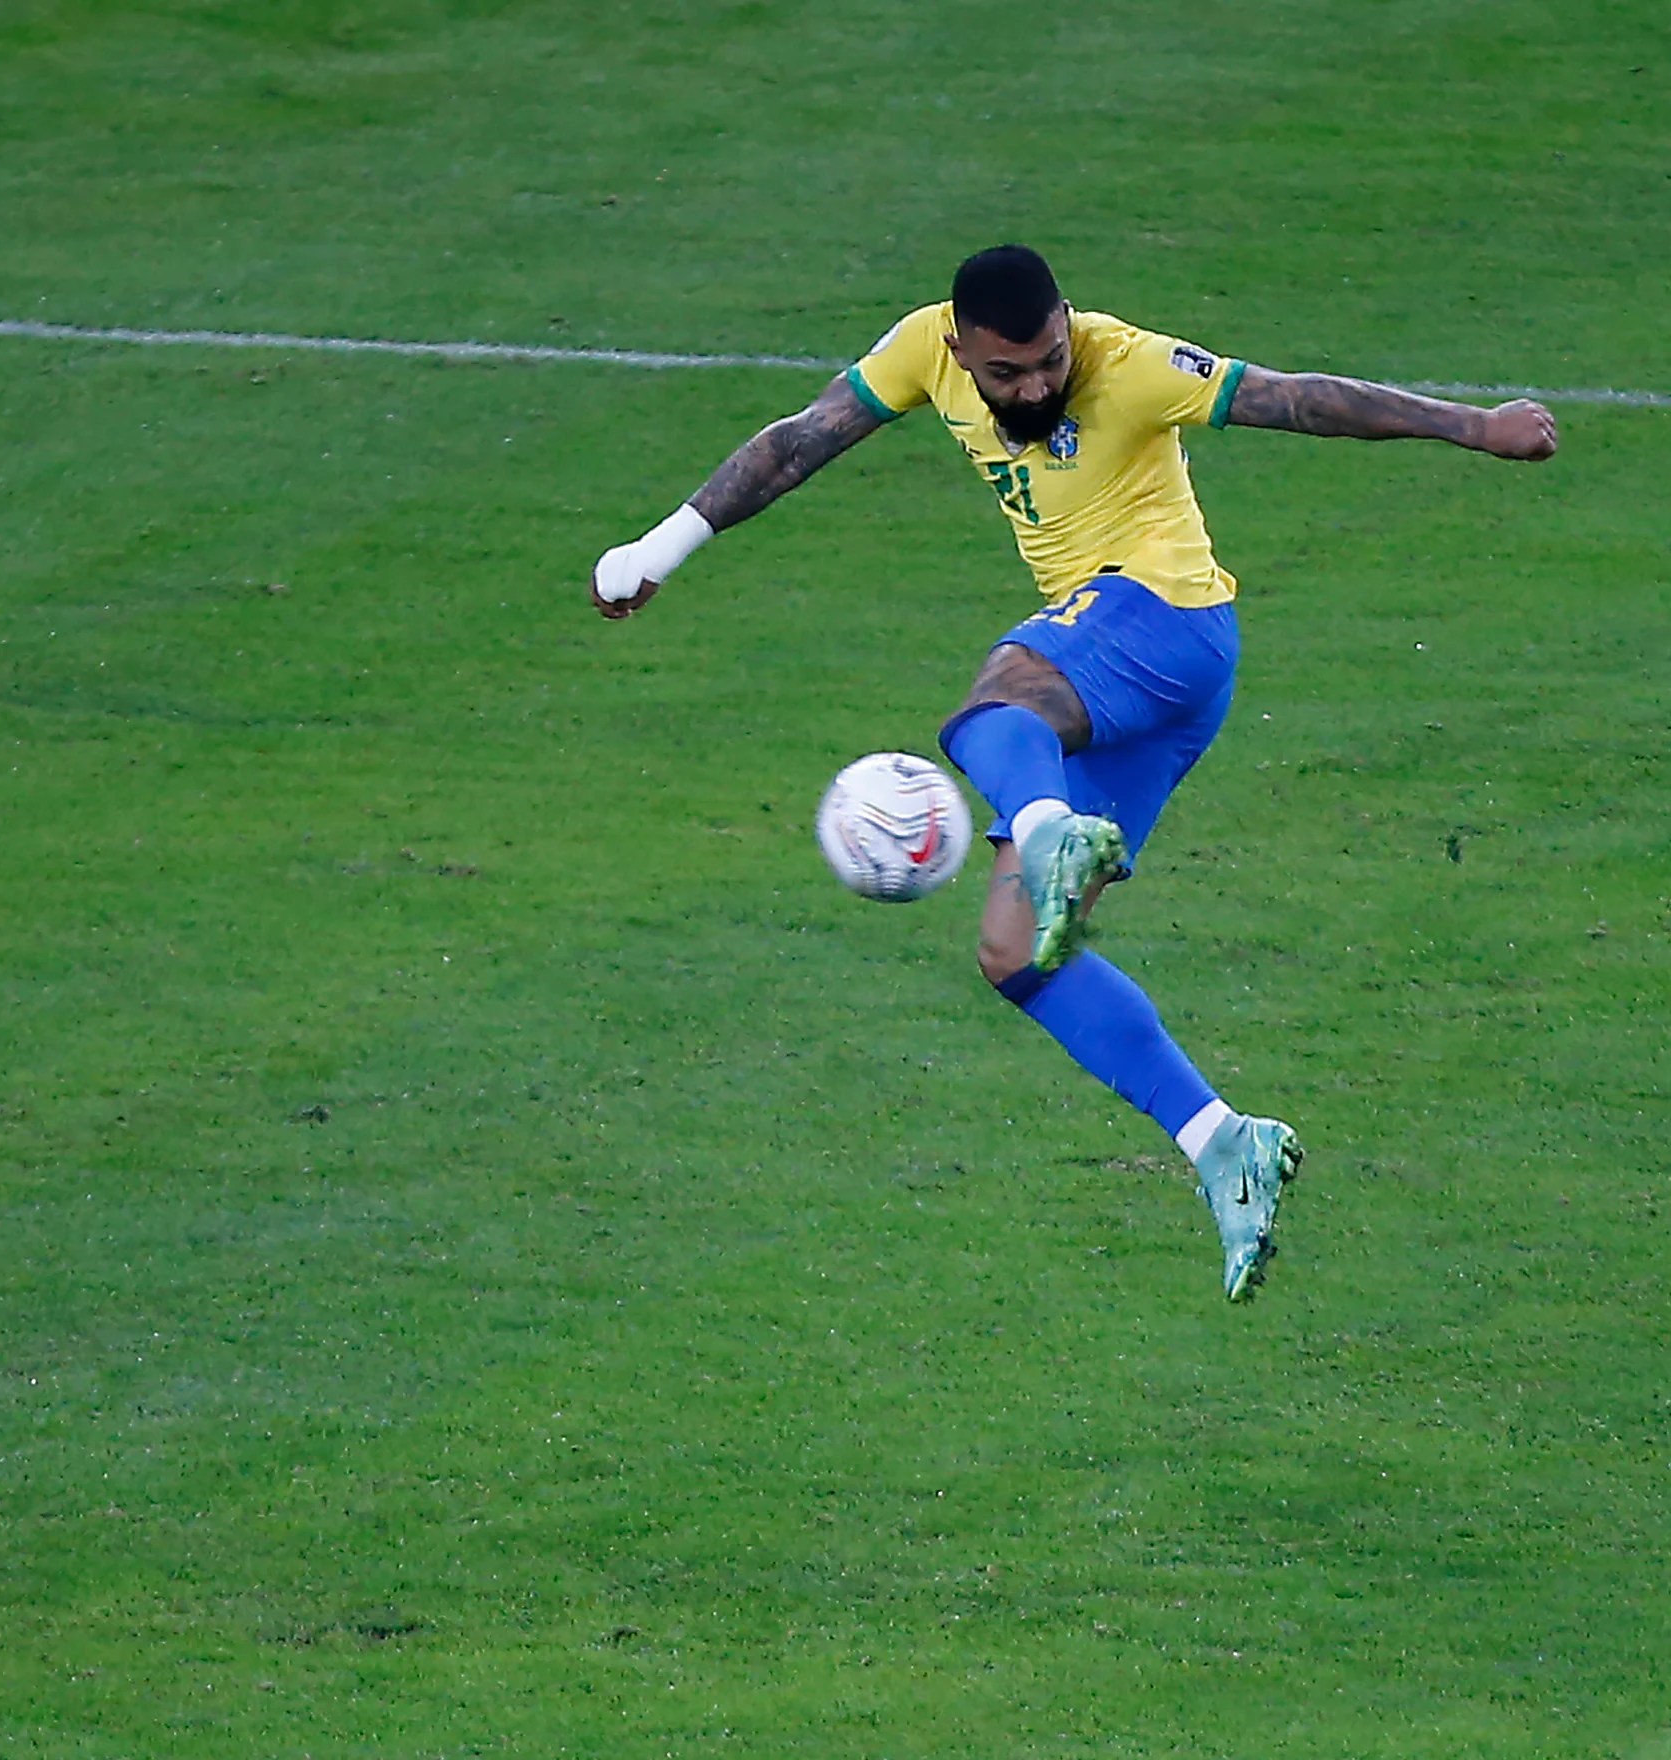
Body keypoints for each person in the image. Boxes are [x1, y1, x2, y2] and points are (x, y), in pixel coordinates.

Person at [591, 244, 1557, 1299]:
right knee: (1017, 954)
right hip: (1147, 694)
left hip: (1163, 617)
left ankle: (1047, 820)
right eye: (1006, 376)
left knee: (993, 707)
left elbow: (1296, 400)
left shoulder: (1127, 361)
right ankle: (1220, 1139)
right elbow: (797, 445)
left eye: (1050, 359)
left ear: (1067, 326)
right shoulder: (923, 349)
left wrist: (1474, 426)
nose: (1038, 386)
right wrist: (664, 546)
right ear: (961, 351)